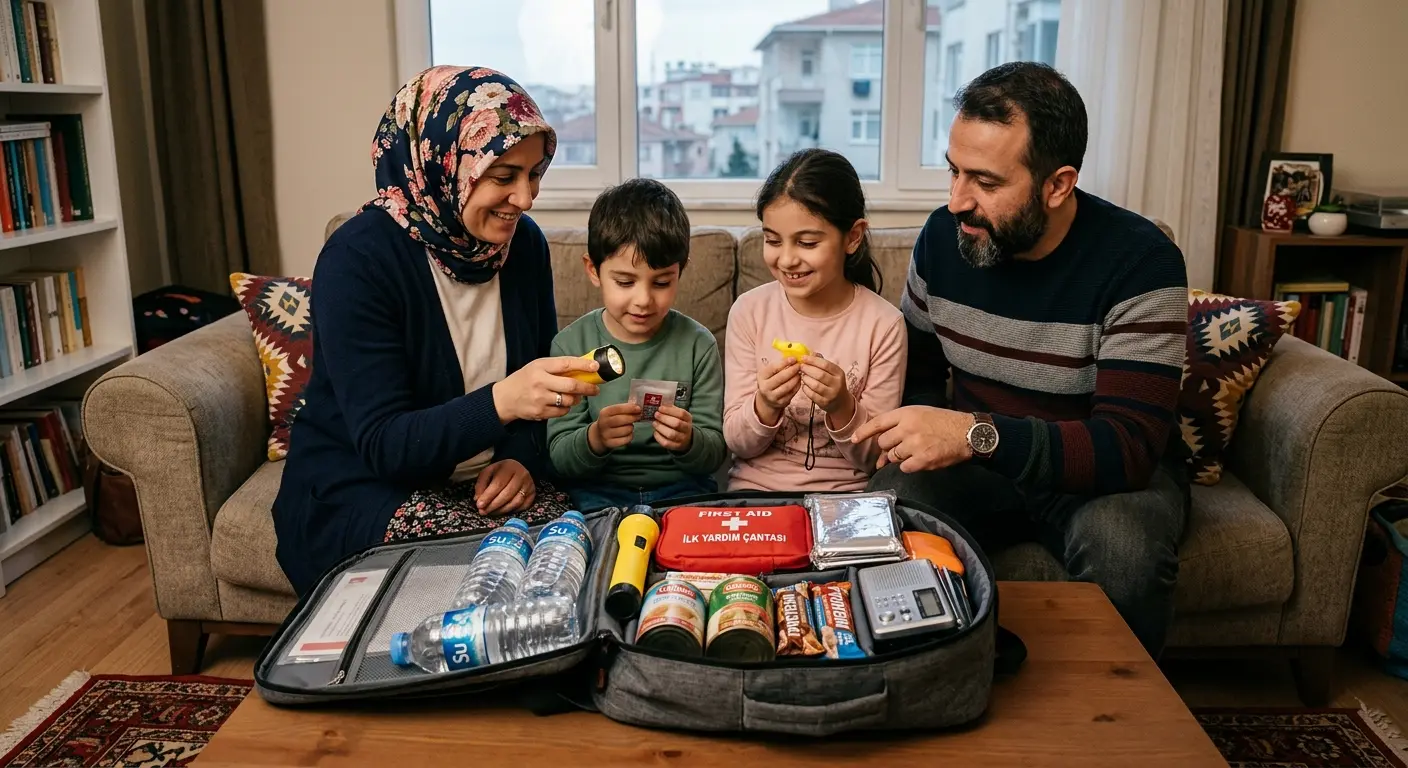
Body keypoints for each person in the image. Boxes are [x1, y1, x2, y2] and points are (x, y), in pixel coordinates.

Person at [854, 62, 1190, 656]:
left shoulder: (1142, 262)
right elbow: (921, 377)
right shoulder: (943, 240)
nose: (957, 201)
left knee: (1124, 548)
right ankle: (932, 679)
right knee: (890, 506)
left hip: (1101, 478)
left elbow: (1129, 447)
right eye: (954, 171)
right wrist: (926, 430)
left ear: (1057, 185)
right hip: (980, 464)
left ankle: (1110, 707)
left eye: (985, 181)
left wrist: (973, 434)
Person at [272, 66, 605, 596]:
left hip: (484, 485)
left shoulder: (524, 247)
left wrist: (519, 458)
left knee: (580, 557)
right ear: (445, 164)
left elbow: (537, 399)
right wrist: (503, 401)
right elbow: (384, 444)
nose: (525, 198)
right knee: (499, 577)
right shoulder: (358, 260)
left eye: (534, 174)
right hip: (370, 487)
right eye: (504, 176)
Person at [723, 148, 907, 493]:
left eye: (807, 243)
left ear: (853, 237)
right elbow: (737, 443)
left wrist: (841, 405)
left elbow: (875, 458)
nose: (787, 259)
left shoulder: (884, 325)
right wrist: (766, 404)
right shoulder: (749, 312)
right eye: (772, 240)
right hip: (757, 492)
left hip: (846, 497)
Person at [548, 178, 727, 512]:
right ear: (593, 270)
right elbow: (559, 456)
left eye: (661, 283)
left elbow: (714, 453)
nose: (643, 300)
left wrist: (689, 440)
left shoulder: (698, 345)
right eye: (625, 282)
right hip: (599, 489)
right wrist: (596, 439)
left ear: (680, 271)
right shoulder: (571, 345)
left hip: (682, 488)